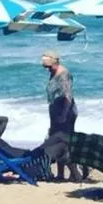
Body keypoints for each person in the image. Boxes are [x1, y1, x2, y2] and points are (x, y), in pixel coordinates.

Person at [41, 52, 85, 182]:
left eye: (49, 66)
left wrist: (64, 114)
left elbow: (68, 96)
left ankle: (75, 173)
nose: (48, 69)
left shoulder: (64, 75)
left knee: (64, 143)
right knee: (56, 142)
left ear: (55, 62)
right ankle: (61, 173)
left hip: (65, 113)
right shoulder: (54, 73)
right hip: (56, 112)